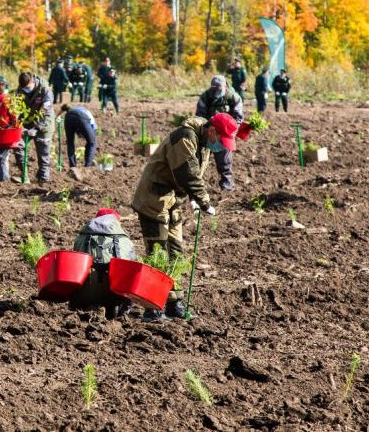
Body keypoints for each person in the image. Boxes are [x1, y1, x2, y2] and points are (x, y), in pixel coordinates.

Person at [130, 113, 236, 320]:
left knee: (175, 252)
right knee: (158, 251)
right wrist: (204, 201)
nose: (221, 147)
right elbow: (187, 173)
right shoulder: (185, 137)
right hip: (154, 198)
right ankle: (153, 307)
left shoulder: (203, 141)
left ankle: (173, 303)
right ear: (212, 131)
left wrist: (193, 198)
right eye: (221, 140)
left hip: (172, 201)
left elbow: (193, 173)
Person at [69, 209, 136, 319]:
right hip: (115, 295)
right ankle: (121, 316)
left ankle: (79, 313)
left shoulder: (80, 238)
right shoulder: (126, 242)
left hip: (85, 294)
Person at [195, 75, 244, 191]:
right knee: (200, 158)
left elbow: (238, 118)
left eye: (219, 89)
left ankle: (226, 183)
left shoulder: (234, 97)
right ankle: (196, 184)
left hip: (224, 132)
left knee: (224, 159)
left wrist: (229, 131)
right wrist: (206, 129)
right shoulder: (206, 96)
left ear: (225, 86)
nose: (216, 92)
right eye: (214, 89)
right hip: (208, 130)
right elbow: (200, 115)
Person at [12, 71, 54, 183]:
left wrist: (36, 128)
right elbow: (16, 108)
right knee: (17, 145)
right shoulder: (20, 89)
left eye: (28, 87)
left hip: (44, 124)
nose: (26, 90)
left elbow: (46, 112)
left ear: (33, 82)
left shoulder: (45, 90)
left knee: (43, 153)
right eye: (23, 88)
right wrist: (18, 125)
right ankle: (25, 175)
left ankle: (43, 181)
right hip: (26, 123)